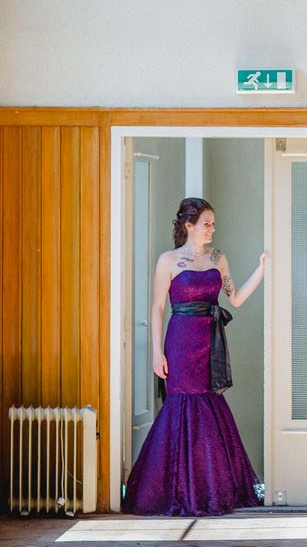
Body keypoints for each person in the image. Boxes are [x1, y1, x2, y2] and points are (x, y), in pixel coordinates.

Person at [122, 197, 268, 516]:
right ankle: (178, 492)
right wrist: (157, 352)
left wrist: (261, 270)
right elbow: (158, 307)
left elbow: (236, 298)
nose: (212, 229)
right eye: (206, 224)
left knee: (209, 408)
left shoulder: (218, 257)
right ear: (189, 225)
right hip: (180, 341)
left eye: (213, 224)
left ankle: (209, 491)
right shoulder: (169, 260)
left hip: (210, 341)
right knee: (182, 408)